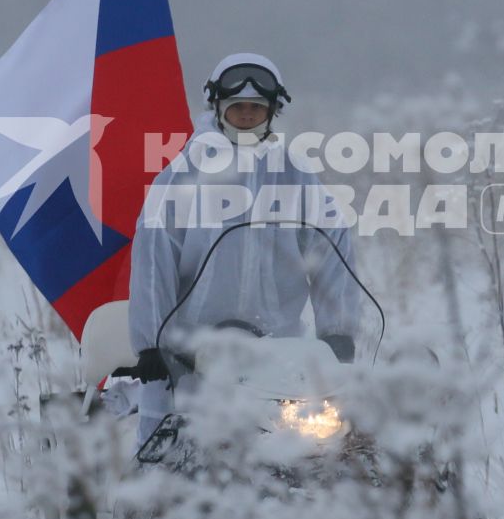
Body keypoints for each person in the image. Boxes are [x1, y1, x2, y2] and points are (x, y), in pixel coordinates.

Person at [123, 53, 362, 448]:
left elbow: (331, 246)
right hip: (190, 359)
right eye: (238, 107)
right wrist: (151, 343)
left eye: (256, 107)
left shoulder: (295, 175)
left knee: (309, 457)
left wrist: (338, 333)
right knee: (168, 462)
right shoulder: (183, 175)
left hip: (280, 356)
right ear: (218, 109)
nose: (247, 115)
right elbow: (154, 257)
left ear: (273, 111)